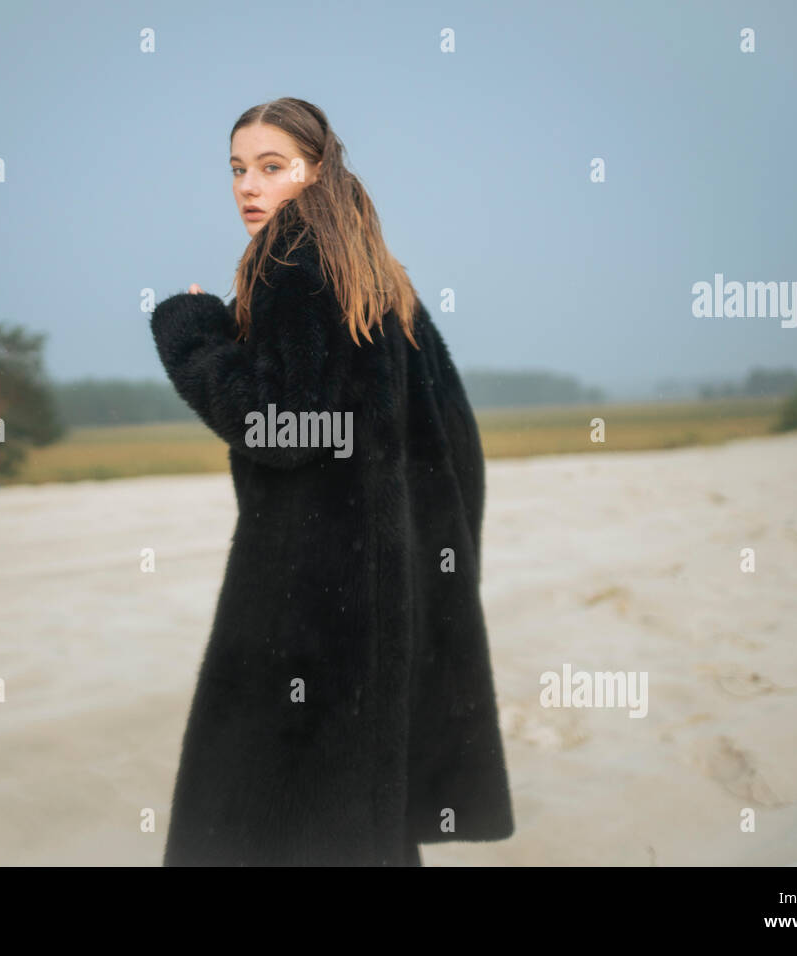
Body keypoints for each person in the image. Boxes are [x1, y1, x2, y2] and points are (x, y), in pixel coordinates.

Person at [151, 97, 514, 866]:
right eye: (238, 170)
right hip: (379, 596)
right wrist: (427, 573)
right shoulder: (378, 276)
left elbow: (275, 422)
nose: (250, 187)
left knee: (264, 824)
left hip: (307, 601)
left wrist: (191, 331)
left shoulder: (294, 261)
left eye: (272, 168)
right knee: (359, 824)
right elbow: (458, 443)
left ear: (317, 170)